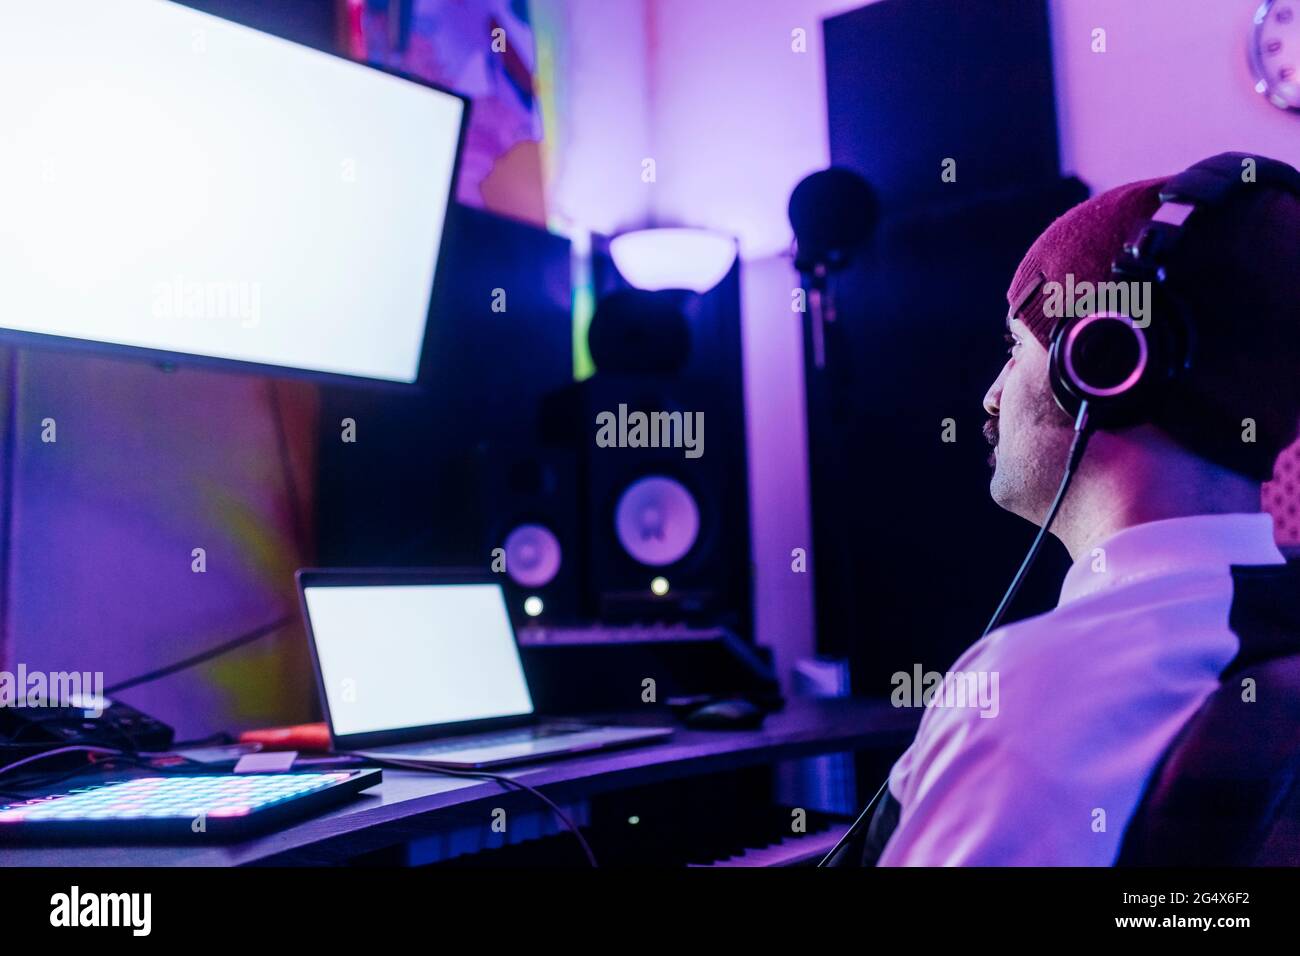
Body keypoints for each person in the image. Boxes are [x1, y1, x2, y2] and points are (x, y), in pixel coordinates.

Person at [865, 153, 1300, 865]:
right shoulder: (1267, 624)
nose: (992, 394)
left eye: (1016, 346)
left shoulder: (1033, 693)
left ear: (1102, 361)